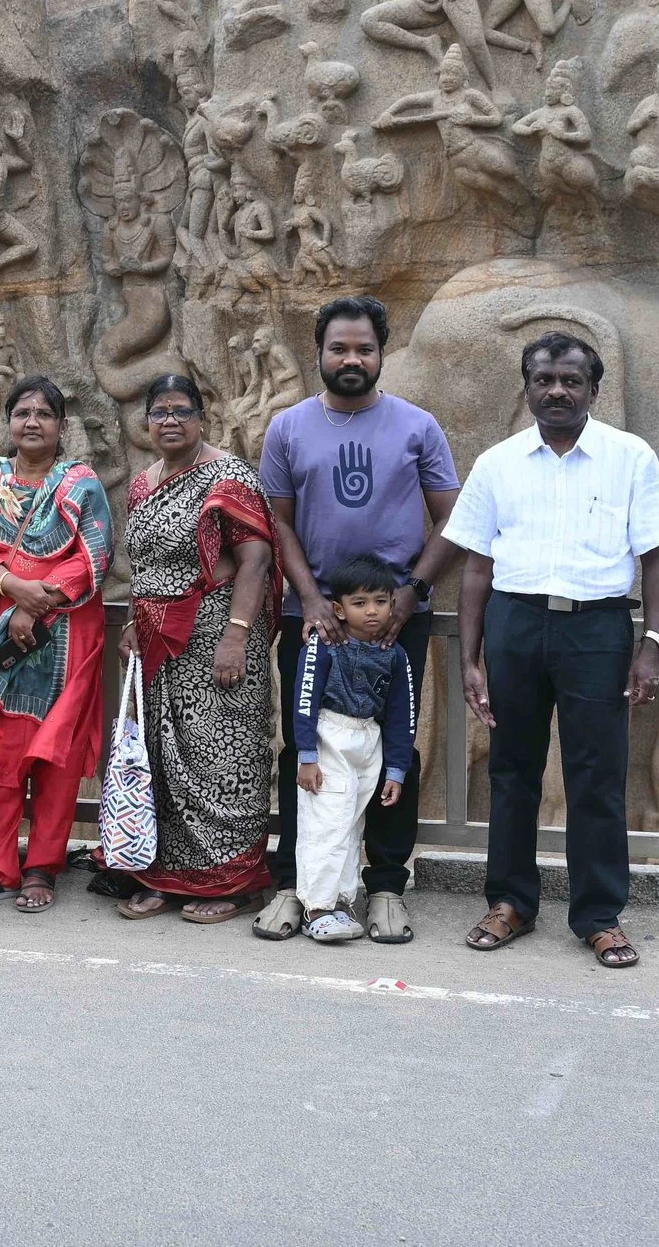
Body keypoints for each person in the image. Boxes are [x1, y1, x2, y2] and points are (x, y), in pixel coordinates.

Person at [447, 332, 659, 969]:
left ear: (593, 390)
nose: (557, 391)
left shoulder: (630, 457)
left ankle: (598, 916)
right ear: (527, 388)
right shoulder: (498, 463)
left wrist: (649, 643)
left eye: (571, 380)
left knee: (596, 774)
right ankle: (511, 902)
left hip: (596, 630)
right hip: (515, 624)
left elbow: (655, 557)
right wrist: (472, 656)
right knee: (511, 769)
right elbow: (474, 567)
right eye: (544, 379)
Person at [254, 295, 461, 945]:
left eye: (364, 348)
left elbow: (453, 517)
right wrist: (311, 598)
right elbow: (278, 521)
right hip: (312, 619)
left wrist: (411, 591)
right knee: (304, 747)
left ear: (381, 353)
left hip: (396, 621)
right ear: (318, 350)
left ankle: (386, 887)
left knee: (394, 745)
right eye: (339, 347)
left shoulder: (417, 426)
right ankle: (296, 884)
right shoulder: (287, 428)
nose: (351, 359)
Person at [0, 376, 113, 912]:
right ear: (9, 422)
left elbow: (94, 556)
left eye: (44, 413)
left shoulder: (82, 485)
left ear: (62, 427)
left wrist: (36, 603)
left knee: (56, 759)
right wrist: (12, 589)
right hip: (0, 635)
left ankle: (42, 869)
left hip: (65, 634)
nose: (32, 422)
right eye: (22, 413)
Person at [113, 373, 282, 923]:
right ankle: (166, 874)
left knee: (220, 756)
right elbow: (144, 565)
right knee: (165, 755)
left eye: (181, 411)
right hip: (158, 637)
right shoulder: (142, 484)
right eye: (159, 411)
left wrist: (236, 635)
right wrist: (137, 621)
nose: (169, 420)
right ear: (145, 422)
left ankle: (229, 880)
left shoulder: (229, 477)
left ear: (202, 418)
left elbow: (255, 560)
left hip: (217, 636)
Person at [290, 554, 417, 943]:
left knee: (350, 825)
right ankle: (316, 908)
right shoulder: (325, 645)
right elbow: (305, 699)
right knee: (326, 821)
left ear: (393, 604)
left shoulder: (394, 654)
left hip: (368, 742)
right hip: (330, 737)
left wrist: (396, 770)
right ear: (338, 609)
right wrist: (307, 755)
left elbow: (401, 714)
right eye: (359, 603)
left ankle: (341, 902)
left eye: (380, 601)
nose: (372, 611)